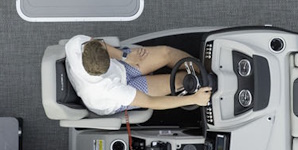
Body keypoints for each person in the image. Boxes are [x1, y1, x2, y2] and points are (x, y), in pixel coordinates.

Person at [63, 35, 212, 115]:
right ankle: (204, 85)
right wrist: (193, 99)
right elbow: (151, 102)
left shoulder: (75, 45)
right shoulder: (108, 90)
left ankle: (203, 68)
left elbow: (97, 43)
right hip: (121, 88)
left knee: (166, 53)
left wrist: (124, 56)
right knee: (181, 80)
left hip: (120, 67)